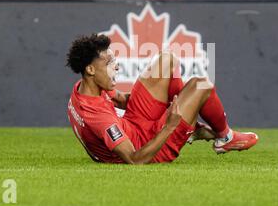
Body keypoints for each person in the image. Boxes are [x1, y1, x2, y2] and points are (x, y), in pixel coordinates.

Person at [66, 33, 258, 164]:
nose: (116, 67)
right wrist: (170, 125)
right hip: (148, 147)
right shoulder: (98, 117)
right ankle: (225, 137)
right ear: (90, 69)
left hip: (134, 123)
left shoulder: (86, 87)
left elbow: (123, 100)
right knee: (201, 85)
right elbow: (135, 159)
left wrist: (161, 97)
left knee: (167, 60)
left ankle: (189, 125)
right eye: (109, 63)